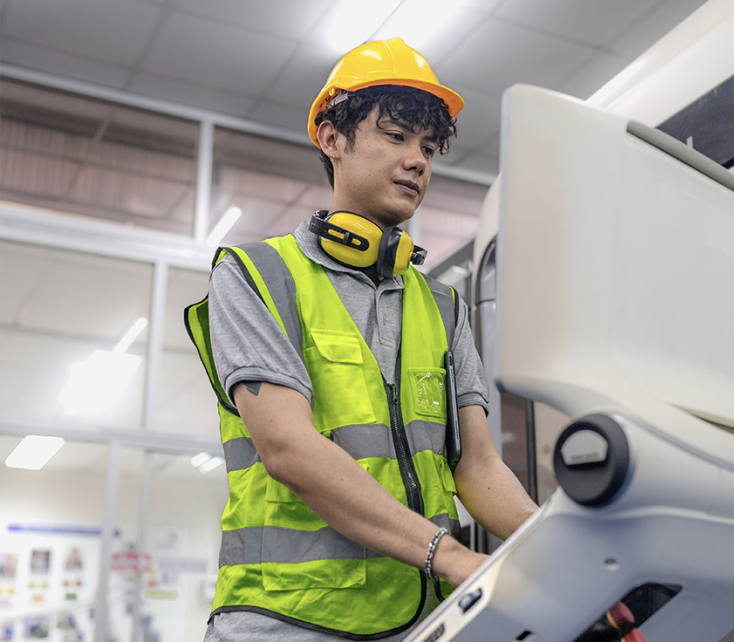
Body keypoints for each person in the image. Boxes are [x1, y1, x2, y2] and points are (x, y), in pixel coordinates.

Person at [187, 38, 538, 641]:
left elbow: (478, 465)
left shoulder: (443, 307)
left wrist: (560, 548)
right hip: (286, 621)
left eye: (428, 147)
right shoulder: (257, 276)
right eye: (396, 136)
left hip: (421, 622)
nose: (418, 161)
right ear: (331, 139)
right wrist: (452, 556)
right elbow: (288, 448)